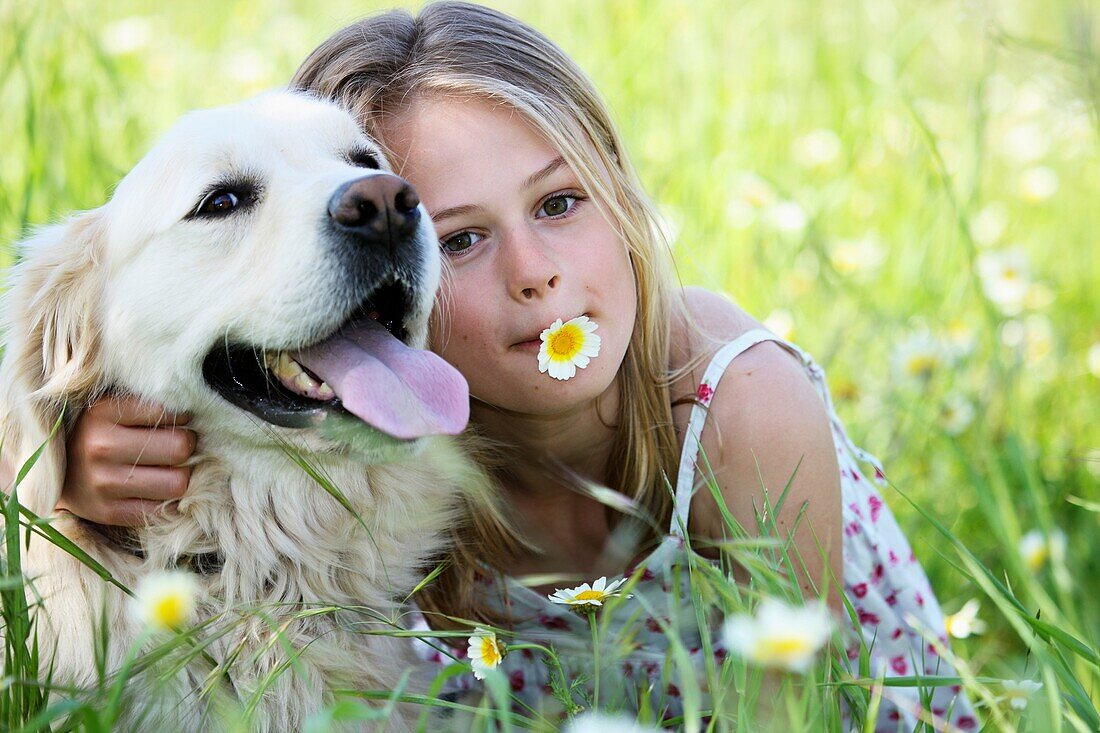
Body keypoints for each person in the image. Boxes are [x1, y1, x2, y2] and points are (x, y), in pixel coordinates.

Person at [47, 2, 976, 729]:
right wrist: (59, 460)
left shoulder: (736, 403)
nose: (536, 276)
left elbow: (797, 709)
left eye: (562, 202)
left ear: (619, 188)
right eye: (457, 239)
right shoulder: (389, 446)